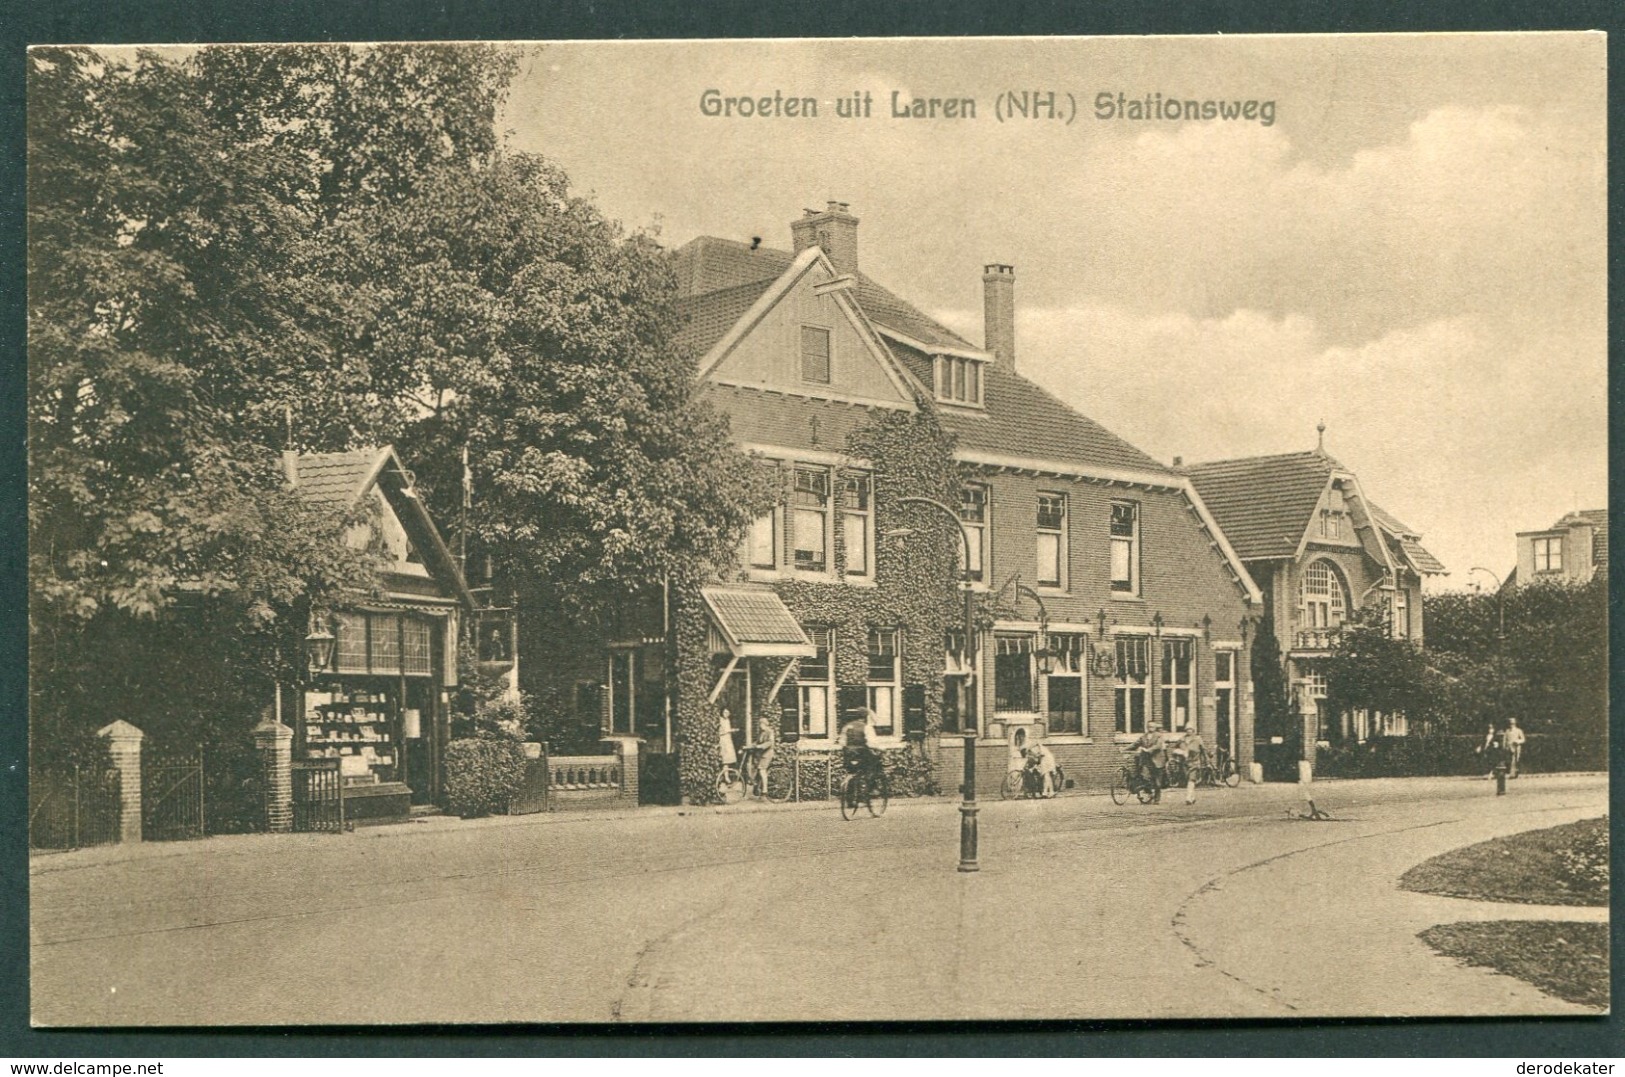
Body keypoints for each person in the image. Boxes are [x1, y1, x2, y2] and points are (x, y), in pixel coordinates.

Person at [835, 708, 884, 791]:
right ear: (865, 717)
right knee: (874, 765)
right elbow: (872, 742)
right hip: (862, 754)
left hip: (848, 755)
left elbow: (841, 742)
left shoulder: (847, 726)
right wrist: (881, 748)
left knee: (852, 772)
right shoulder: (866, 727)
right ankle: (870, 788)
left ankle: (849, 793)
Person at [1132, 723, 1168, 802]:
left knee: (1157, 782)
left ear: (1155, 728)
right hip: (1147, 761)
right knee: (1144, 777)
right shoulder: (1143, 736)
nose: (1150, 728)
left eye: (1152, 726)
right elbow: (1135, 744)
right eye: (1149, 726)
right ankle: (1150, 793)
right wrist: (1124, 749)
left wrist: (1149, 750)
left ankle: (1157, 799)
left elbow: (1158, 746)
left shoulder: (1159, 736)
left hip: (1158, 761)